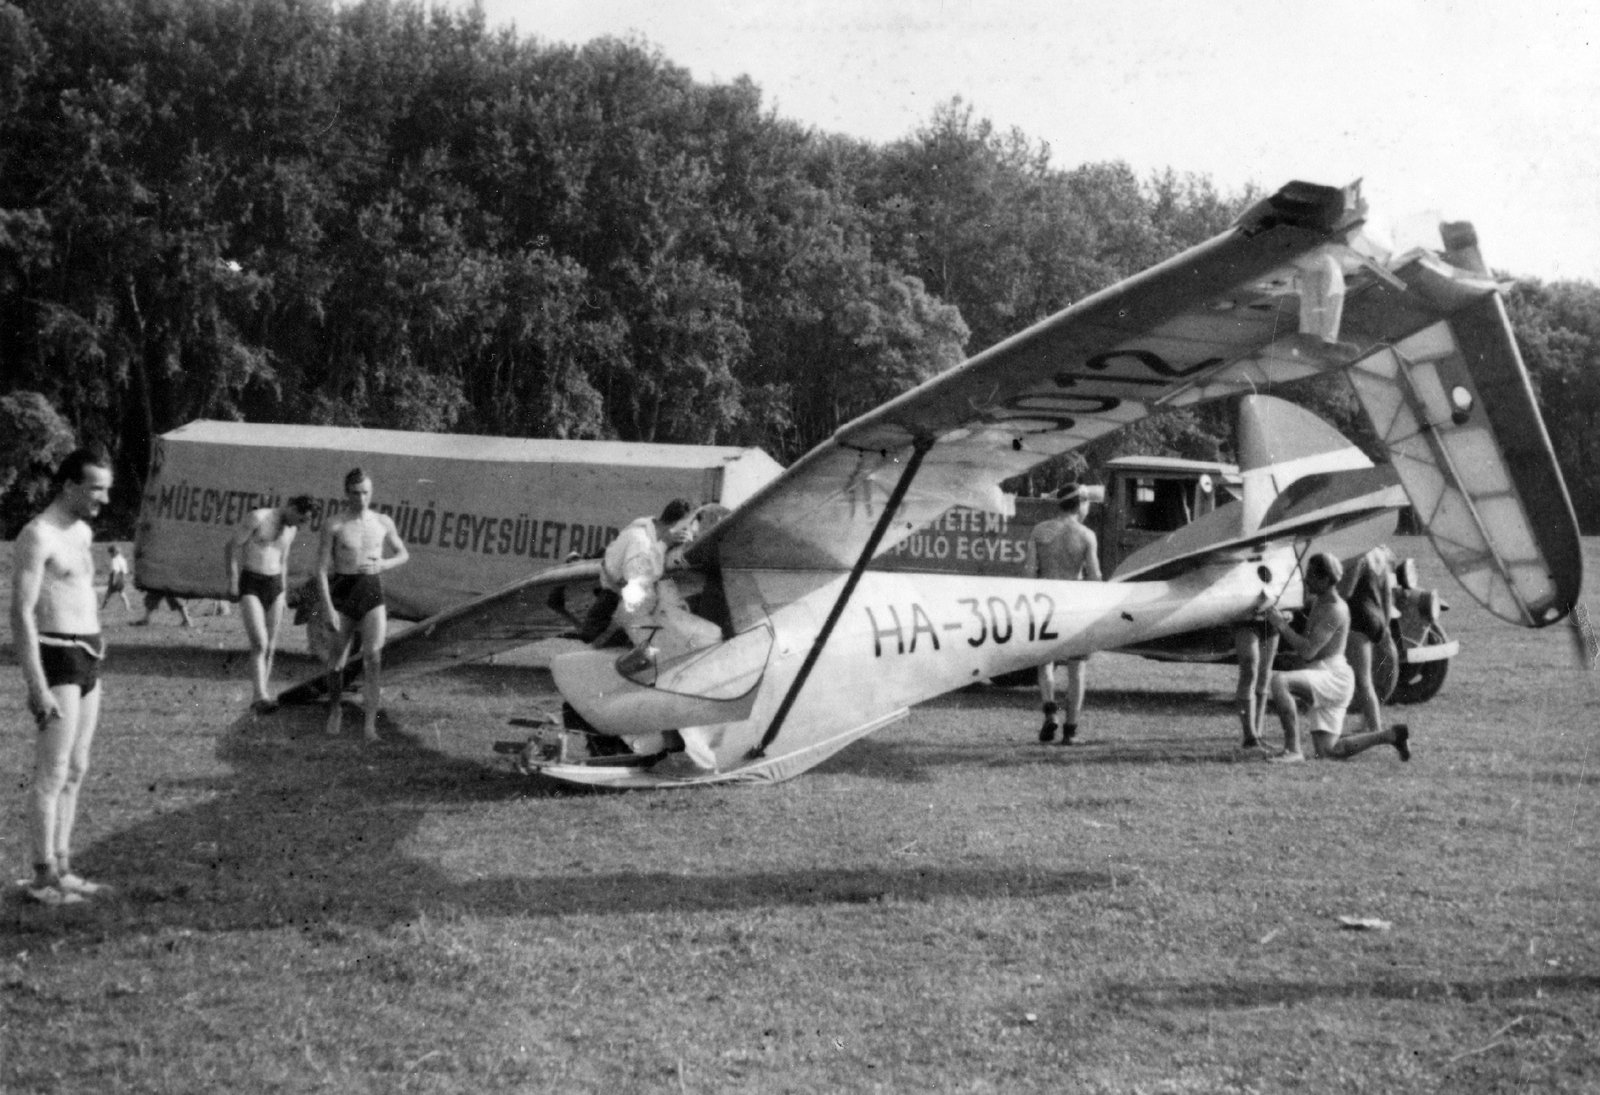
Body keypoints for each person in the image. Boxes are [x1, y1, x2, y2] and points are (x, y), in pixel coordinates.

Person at [9, 449, 115, 905]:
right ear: (70, 485)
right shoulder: (37, 535)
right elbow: (21, 614)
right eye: (96, 488)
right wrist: (35, 684)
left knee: (77, 767)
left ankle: (64, 866)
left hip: (89, 655)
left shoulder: (83, 531)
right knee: (52, 771)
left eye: (107, 489)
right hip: (57, 657)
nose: (103, 499)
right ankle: (41, 876)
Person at [1261, 552, 1410, 763]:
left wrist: (1281, 625)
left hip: (1333, 677)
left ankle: (1292, 750)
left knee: (1279, 681)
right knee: (1327, 751)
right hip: (1327, 675)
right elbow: (1312, 640)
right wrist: (1288, 619)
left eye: (1312, 575)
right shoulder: (1320, 603)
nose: (1307, 579)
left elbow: (1308, 651)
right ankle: (1389, 735)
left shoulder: (1335, 610)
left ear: (1325, 579)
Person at [316, 468, 409, 742]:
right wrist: (328, 607)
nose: (361, 498)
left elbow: (403, 553)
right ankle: (335, 709)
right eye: (356, 493)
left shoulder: (382, 522)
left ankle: (370, 725)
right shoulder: (334, 524)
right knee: (335, 665)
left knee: (373, 659)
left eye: (366, 492)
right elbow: (321, 569)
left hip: (372, 593)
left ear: (372, 492)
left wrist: (385, 563)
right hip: (343, 593)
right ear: (346, 493)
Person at [1025, 482, 1101, 743]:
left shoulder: (1039, 531)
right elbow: (1095, 576)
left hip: (1045, 606)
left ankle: (1050, 712)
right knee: (1076, 670)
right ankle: (1070, 732)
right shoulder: (1086, 535)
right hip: (1074, 606)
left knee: (1045, 663)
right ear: (1080, 503)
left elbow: (1028, 572)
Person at [225, 495, 314, 713]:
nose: (299, 525)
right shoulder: (258, 518)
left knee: (271, 645)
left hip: (275, 585)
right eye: (300, 518)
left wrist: (282, 593)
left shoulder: (291, 529)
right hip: (252, 582)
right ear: (291, 507)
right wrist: (233, 581)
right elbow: (230, 547)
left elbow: (283, 561)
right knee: (260, 643)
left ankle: (261, 698)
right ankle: (260, 695)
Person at [1339, 544, 1400, 738]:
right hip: (1377, 618)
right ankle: (1369, 724)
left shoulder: (1357, 557)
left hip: (1359, 619)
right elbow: (1387, 595)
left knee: (1363, 680)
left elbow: (1347, 592)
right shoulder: (1382, 555)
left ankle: (1375, 729)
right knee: (1369, 677)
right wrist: (1386, 625)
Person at [1231, 618, 1279, 749]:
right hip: (1245, 620)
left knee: (1263, 676)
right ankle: (1250, 737)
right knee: (1249, 672)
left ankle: (1257, 735)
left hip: (1270, 622)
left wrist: (1287, 611)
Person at [101, 545, 131, 612]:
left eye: (110, 553)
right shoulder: (122, 559)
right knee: (122, 593)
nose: (110, 555)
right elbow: (125, 571)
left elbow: (115, 570)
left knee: (108, 594)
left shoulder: (114, 560)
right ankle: (127, 607)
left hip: (115, 578)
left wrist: (113, 581)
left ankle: (102, 607)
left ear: (113, 553)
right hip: (121, 578)